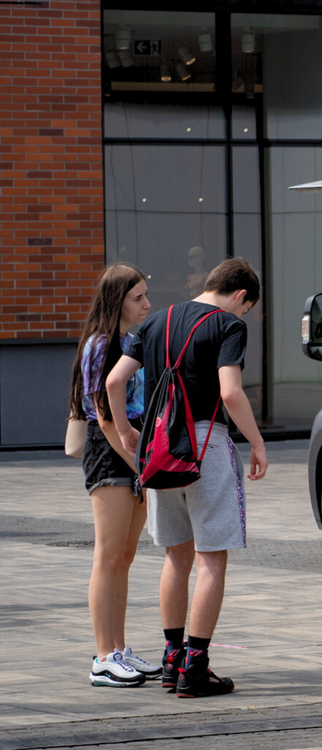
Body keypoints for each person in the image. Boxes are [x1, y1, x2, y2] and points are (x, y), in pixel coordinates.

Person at [107, 257, 268, 698]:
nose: (243, 316)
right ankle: (196, 668)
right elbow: (231, 392)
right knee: (211, 559)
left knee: (175, 558)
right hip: (205, 445)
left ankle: (172, 659)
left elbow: (115, 381)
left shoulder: (155, 322)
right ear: (240, 295)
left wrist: (125, 431)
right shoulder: (228, 326)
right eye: (246, 308)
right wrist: (256, 442)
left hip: (159, 448)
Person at [68, 263, 160, 687]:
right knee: (108, 557)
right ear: (117, 300)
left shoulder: (130, 341)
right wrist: (140, 464)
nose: (146, 303)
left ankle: (118, 650)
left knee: (124, 557)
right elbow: (105, 418)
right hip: (113, 451)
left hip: (133, 447)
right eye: (138, 296)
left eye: (144, 295)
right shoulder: (100, 345)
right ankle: (104, 656)